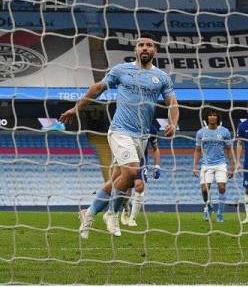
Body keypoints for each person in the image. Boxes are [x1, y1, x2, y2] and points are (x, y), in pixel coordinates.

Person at [60, 34, 178, 238]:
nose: (144, 48)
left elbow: (172, 103)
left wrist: (173, 123)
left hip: (141, 136)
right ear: (135, 50)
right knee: (132, 173)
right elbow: (98, 88)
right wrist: (77, 107)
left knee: (117, 178)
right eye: (140, 45)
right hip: (120, 130)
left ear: (155, 51)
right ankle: (111, 214)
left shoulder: (162, 77)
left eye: (149, 45)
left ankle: (88, 213)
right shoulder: (121, 70)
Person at [193, 108, 234, 223]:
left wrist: (232, 166)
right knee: (205, 189)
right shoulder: (201, 133)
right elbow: (197, 150)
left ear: (218, 118)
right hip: (206, 165)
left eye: (214, 115)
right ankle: (208, 207)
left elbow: (229, 149)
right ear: (207, 118)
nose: (212, 117)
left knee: (222, 187)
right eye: (210, 115)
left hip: (221, 164)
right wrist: (195, 166)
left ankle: (220, 214)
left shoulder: (225, 132)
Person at [120, 124, 161, 227]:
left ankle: (132, 219)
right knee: (125, 192)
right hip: (127, 159)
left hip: (141, 161)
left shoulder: (151, 128)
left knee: (139, 186)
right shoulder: (127, 124)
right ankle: (126, 209)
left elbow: (156, 149)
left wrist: (157, 166)